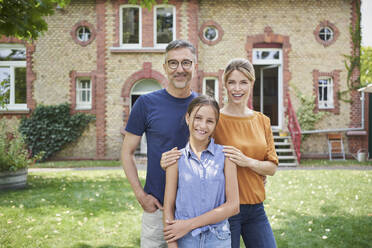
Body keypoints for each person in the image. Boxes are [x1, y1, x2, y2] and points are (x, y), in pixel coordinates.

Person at [161, 58, 278, 248]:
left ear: (252, 83)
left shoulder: (262, 121)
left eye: (243, 82)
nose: (237, 88)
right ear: (224, 85)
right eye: (231, 82)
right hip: (223, 211)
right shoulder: (214, 119)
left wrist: (248, 162)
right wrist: (167, 161)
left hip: (256, 208)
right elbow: (193, 148)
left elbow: (271, 167)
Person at [121, 40, 198, 248]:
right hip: (157, 209)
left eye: (186, 63)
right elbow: (126, 153)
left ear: (194, 66)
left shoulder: (204, 107)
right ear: (164, 67)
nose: (179, 69)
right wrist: (140, 195)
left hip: (195, 210)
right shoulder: (146, 104)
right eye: (173, 63)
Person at [163, 95, 239, 248]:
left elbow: (233, 206)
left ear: (215, 124)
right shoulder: (175, 159)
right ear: (187, 118)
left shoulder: (226, 157)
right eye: (198, 118)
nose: (202, 125)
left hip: (218, 239)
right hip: (185, 240)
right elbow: (168, 208)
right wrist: (172, 245)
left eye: (210, 121)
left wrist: (188, 224)